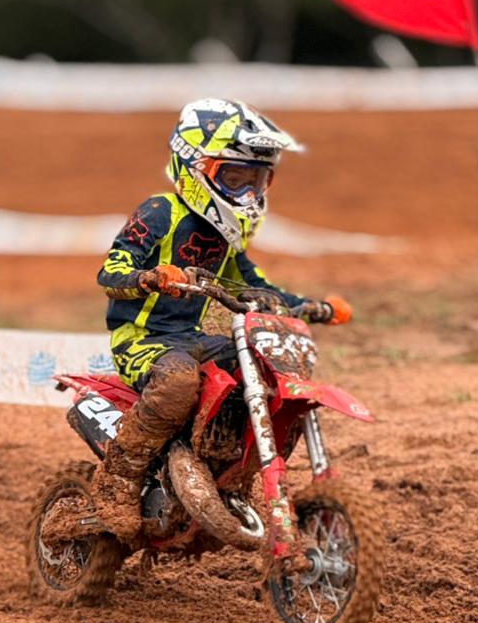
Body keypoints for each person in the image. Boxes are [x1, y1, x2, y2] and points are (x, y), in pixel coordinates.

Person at [94, 98, 351, 539]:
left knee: (267, 369)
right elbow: (111, 270)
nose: (248, 194)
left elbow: (256, 286)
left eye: (257, 181)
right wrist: (150, 277)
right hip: (142, 340)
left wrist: (310, 306)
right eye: (235, 179)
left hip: (192, 337)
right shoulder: (160, 213)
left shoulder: (225, 237)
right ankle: (120, 479)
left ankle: (226, 469)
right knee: (178, 382)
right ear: (196, 167)